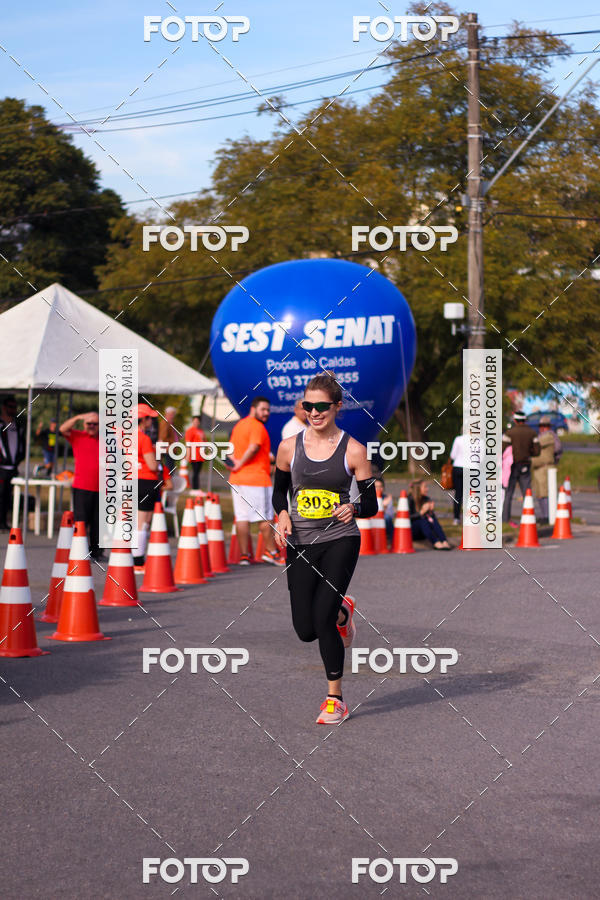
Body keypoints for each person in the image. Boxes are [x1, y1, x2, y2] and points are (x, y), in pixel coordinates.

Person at [273, 371, 378, 725]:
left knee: (321, 617)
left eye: (321, 406)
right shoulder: (289, 446)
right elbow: (278, 492)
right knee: (305, 629)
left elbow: (371, 503)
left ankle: (335, 700)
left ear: (337, 406)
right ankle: (343, 613)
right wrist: (283, 515)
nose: (314, 412)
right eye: (308, 406)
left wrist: (354, 506)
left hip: (340, 540)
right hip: (300, 541)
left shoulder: (354, 450)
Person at [228, 396, 282, 566]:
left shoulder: (240, 425)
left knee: (242, 517)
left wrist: (235, 465)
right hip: (256, 479)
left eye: (268, 410)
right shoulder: (257, 426)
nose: (266, 413)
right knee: (265, 517)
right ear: (254, 408)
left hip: (237, 480)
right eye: (263, 409)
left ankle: (245, 555)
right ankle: (271, 552)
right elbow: (254, 447)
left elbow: (230, 451)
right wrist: (241, 464)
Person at [59, 411, 102, 559]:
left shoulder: (107, 439)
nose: (91, 426)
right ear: (84, 425)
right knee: (82, 520)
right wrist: (77, 417)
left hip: (102, 487)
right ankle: (80, 551)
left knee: (98, 522)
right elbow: (62, 429)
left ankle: (96, 552)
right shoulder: (78, 436)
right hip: (82, 486)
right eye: (89, 424)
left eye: (95, 424)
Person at [501, 410, 540, 525]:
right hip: (526, 465)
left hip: (512, 466)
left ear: (515, 420)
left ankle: (506, 519)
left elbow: (502, 449)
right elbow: (537, 451)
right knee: (527, 493)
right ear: (525, 420)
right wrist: (529, 453)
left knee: (509, 493)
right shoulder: (532, 433)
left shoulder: (509, 433)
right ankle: (528, 518)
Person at [133, 403, 160, 569]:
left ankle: (131, 555)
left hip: (131, 479)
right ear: (143, 420)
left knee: (132, 519)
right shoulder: (144, 438)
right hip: (145, 480)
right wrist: (157, 460)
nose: (151, 420)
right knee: (143, 522)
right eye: (149, 418)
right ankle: (138, 559)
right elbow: (152, 465)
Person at [0, 395, 26, 530]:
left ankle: (4, 521)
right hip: (2, 467)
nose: (13, 410)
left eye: (15, 407)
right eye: (10, 407)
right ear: (4, 408)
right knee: (1, 494)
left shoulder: (18, 426)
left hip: (13, 467)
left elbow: (22, 445)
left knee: (8, 496)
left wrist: (18, 459)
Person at [408, 479, 451, 550]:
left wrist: (430, 512)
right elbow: (407, 518)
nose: (427, 489)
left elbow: (430, 519)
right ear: (418, 489)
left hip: (423, 532)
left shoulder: (426, 499)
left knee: (433, 519)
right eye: (425, 487)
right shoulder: (409, 499)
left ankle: (444, 541)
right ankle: (435, 542)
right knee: (421, 520)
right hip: (412, 531)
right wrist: (421, 512)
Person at [531, 416, 559, 522]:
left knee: (544, 493)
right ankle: (544, 516)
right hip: (538, 468)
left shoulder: (548, 436)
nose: (541, 428)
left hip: (545, 467)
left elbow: (535, 444)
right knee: (539, 493)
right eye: (541, 426)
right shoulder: (542, 436)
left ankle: (548, 516)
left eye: (543, 426)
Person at [449, 430, 467, 524]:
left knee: (458, 494)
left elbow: (453, 455)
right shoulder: (480, 441)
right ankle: (469, 517)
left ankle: (456, 518)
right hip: (472, 468)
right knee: (471, 495)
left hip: (458, 467)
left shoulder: (458, 439)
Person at [185, 415, 206, 490]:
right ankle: (195, 488)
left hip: (201, 455)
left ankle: (197, 487)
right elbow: (188, 443)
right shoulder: (190, 431)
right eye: (195, 421)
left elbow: (204, 442)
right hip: (194, 455)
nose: (196, 423)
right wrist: (188, 454)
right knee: (195, 472)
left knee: (198, 472)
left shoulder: (201, 431)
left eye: (197, 421)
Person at [158, 406, 180, 476]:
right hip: (168, 449)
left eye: (173, 414)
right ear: (167, 414)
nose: (173, 416)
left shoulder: (170, 423)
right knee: (168, 469)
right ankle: (167, 484)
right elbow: (162, 436)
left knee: (170, 468)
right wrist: (167, 445)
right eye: (171, 414)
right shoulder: (165, 423)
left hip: (171, 449)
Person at [374, 476, 395, 545]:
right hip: (371, 521)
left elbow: (391, 515)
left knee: (387, 518)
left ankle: (393, 542)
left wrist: (385, 507)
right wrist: (382, 506)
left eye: (381, 486)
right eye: (376, 486)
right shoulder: (369, 498)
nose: (379, 489)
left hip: (384, 521)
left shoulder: (387, 498)